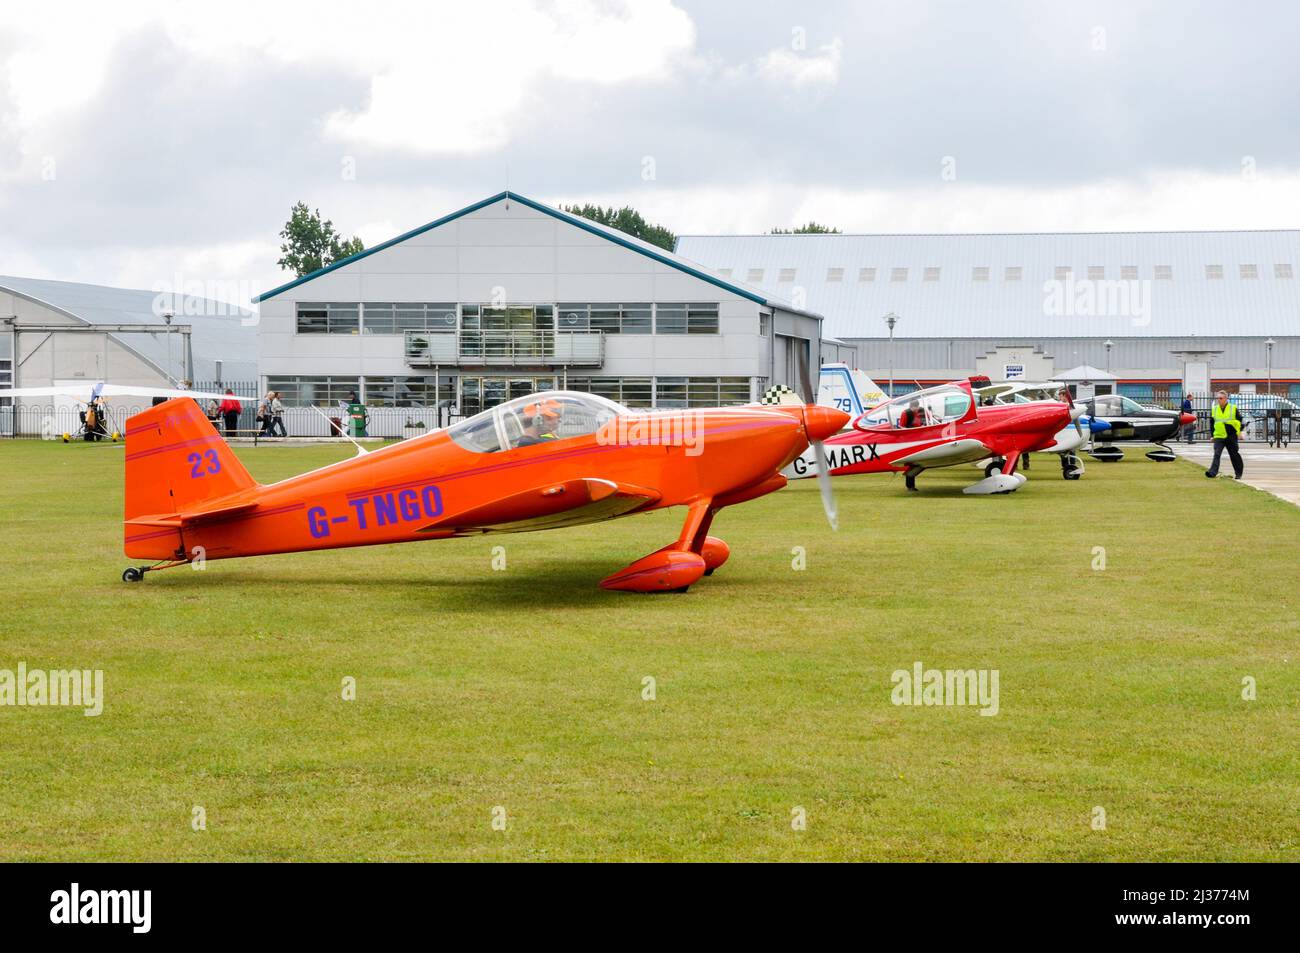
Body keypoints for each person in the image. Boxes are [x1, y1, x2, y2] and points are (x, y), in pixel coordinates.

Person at [1205, 390, 1244, 480]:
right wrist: (1212, 435)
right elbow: (1212, 423)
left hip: (1231, 435)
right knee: (1217, 454)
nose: (1219, 400)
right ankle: (1212, 472)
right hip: (1219, 436)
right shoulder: (1214, 409)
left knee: (1234, 454)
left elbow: (1240, 420)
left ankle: (1238, 473)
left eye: (1221, 398)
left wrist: (1239, 432)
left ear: (1226, 399)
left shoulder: (1233, 408)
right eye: (1217, 398)